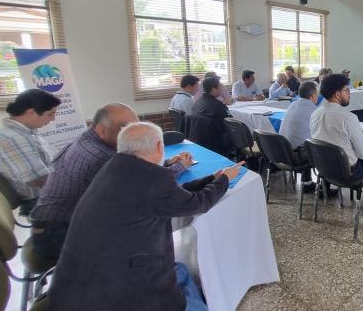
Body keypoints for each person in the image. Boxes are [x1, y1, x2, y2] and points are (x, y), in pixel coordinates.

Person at [47, 122, 240, 311]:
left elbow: (172, 196)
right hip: (114, 289)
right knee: (182, 285)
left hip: (76, 281)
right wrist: (224, 180)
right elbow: (198, 204)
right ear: (159, 147)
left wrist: (209, 179)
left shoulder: (115, 167)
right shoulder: (152, 179)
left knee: (180, 271)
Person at [29, 103, 192, 260]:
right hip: (57, 235)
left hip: (51, 224)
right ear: (101, 129)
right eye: (126, 129)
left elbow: (135, 172)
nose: (134, 134)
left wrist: (166, 163)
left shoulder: (87, 139)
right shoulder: (102, 157)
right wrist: (179, 166)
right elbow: (146, 185)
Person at [0, 89, 60, 210]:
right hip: (38, 200)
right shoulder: (14, 138)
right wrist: (70, 181)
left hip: (43, 193)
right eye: (50, 114)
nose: (53, 119)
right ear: (31, 112)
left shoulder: (22, 130)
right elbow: (37, 179)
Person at [310, 74, 363, 193]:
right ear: (337, 94)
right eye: (347, 90)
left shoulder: (315, 113)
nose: (350, 93)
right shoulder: (348, 117)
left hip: (323, 168)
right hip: (347, 172)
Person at [279, 82, 319, 192]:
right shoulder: (313, 111)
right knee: (326, 149)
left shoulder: (293, 105)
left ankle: (307, 182)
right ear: (313, 95)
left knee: (304, 139)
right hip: (296, 156)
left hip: (282, 151)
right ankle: (325, 188)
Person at [190, 77, 231, 153]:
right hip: (215, 142)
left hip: (198, 140)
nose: (222, 89)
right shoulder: (218, 106)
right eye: (220, 86)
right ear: (213, 89)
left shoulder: (197, 102)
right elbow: (229, 125)